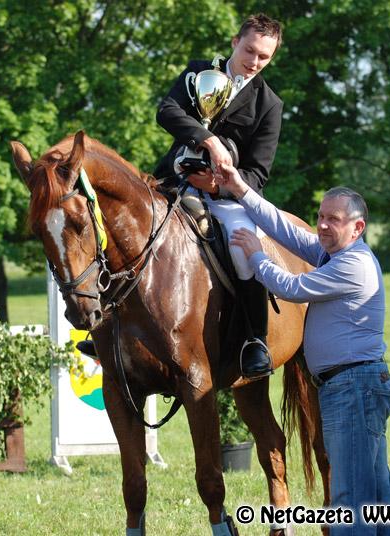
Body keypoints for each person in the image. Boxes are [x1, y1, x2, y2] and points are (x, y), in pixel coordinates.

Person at [217, 163, 390, 535]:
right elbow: (285, 231)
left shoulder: (353, 265)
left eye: (333, 219)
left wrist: (255, 255)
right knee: (378, 494)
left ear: (357, 227)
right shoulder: (333, 253)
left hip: (352, 388)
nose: (322, 225)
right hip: (353, 385)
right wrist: (241, 189)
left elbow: (290, 287)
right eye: (320, 217)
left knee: (351, 500)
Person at [152, 13, 284, 379]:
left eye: (264, 57)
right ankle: (109, 326)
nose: (254, 62)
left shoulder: (269, 105)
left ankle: (254, 339)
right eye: (250, 51)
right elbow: (167, 112)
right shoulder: (199, 72)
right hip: (173, 181)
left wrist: (218, 185)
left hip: (227, 199)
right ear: (234, 42)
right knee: (125, 226)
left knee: (245, 249)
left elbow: (258, 173)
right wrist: (207, 139)